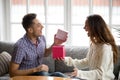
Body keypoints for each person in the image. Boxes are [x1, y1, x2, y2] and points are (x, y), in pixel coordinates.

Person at [9, 13, 67, 77]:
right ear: (30, 30)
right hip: (25, 76)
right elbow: (12, 73)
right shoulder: (20, 46)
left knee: (60, 75)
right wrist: (36, 69)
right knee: (43, 74)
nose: (42, 26)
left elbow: (45, 53)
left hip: (40, 73)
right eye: (39, 25)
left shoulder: (42, 38)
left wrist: (55, 44)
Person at [62, 14, 118, 80]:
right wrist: (66, 60)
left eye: (86, 25)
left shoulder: (105, 48)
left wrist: (80, 73)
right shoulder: (94, 44)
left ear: (94, 27)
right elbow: (87, 62)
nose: (84, 28)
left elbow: (101, 73)